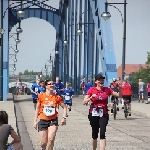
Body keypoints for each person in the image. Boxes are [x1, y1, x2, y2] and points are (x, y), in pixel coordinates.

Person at [83, 74, 121, 150]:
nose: (101, 81)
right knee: (95, 133)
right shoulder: (91, 90)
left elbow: (118, 95)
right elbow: (84, 102)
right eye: (99, 80)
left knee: (102, 133)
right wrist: (91, 97)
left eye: (102, 80)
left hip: (104, 113)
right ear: (96, 81)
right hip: (93, 113)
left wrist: (120, 87)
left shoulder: (107, 89)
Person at [33, 79, 67, 150]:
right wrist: (35, 120)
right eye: (49, 84)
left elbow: (65, 107)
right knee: (43, 143)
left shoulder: (57, 97)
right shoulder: (41, 96)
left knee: (51, 139)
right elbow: (37, 109)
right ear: (46, 86)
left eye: (52, 84)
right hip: (43, 120)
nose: (52, 85)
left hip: (53, 120)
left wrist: (64, 118)